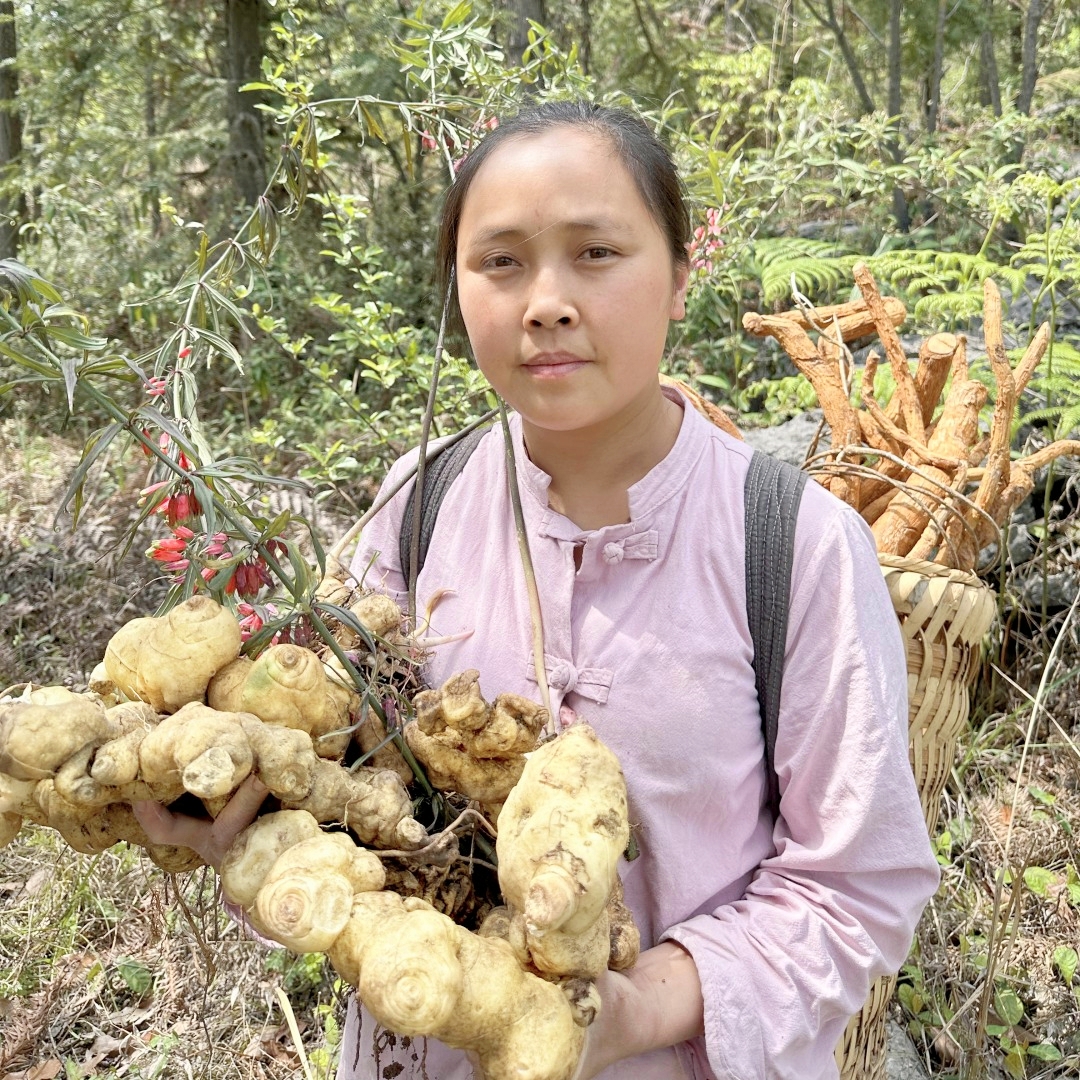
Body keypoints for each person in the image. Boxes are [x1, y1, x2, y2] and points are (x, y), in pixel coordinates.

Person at [137, 100, 940, 1080]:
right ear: (459, 287)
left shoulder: (800, 548)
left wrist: (637, 1009)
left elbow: (857, 889)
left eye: (596, 253)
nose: (546, 301)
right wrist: (245, 823)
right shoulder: (418, 500)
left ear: (682, 276)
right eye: (501, 261)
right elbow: (348, 782)